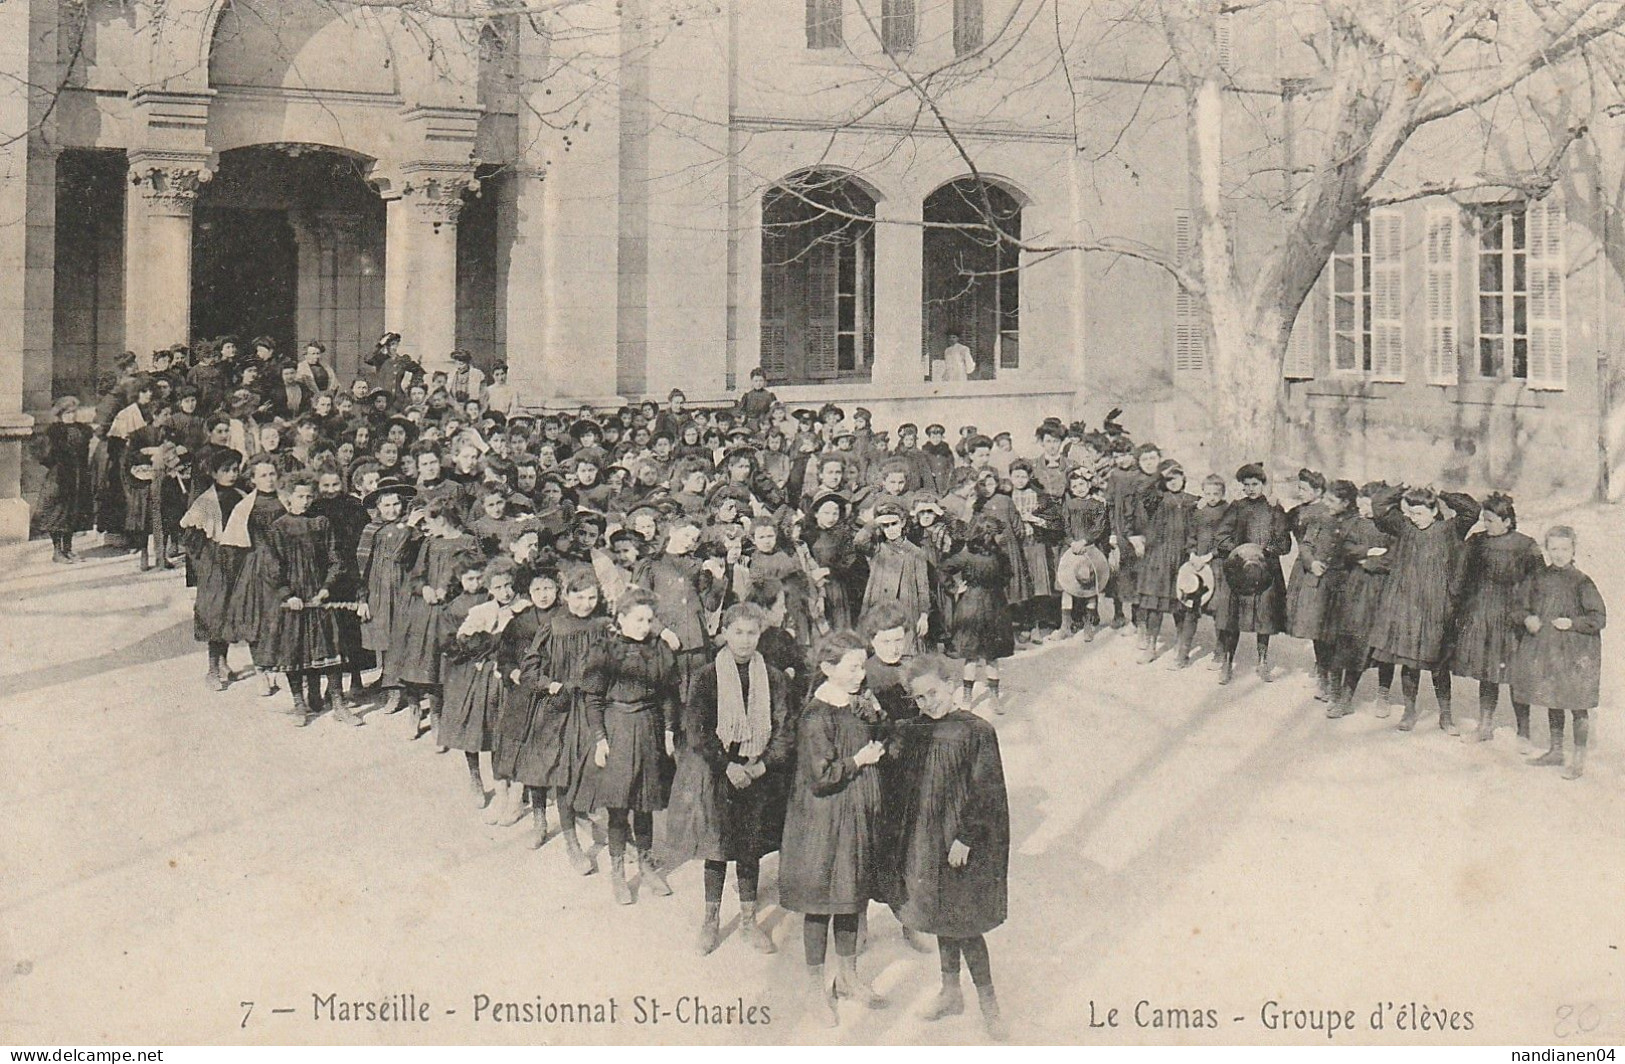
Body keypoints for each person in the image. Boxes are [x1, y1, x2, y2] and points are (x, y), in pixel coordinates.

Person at [664, 603, 795, 955]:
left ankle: (750, 922)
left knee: (749, 848)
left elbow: (784, 728)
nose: (745, 640)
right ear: (724, 633)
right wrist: (728, 767)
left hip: (758, 771)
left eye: (752, 633)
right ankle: (711, 920)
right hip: (720, 771)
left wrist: (761, 766)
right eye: (737, 632)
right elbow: (697, 729)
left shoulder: (774, 678)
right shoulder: (708, 676)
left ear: (760, 635)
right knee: (718, 847)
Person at [779, 630, 892, 1027]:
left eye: (863, 665)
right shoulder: (816, 714)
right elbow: (820, 775)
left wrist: (877, 721)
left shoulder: (856, 702)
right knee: (820, 904)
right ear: (828, 668)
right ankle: (815, 990)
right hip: (823, 822)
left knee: (851, 895)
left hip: (854, 816)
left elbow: (878, 735)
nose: (862, 672)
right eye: (854, 666)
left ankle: (848, 977)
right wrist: (860, 760)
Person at [897, 653, 1012, 1041]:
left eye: (933, 693)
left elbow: (987, 789)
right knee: (941, 915)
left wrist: (965, 835)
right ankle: (950, 991)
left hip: (963, 843)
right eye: (920, 698)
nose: (928, 703)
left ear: (951, 685)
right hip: (930, 840)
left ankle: (989, 1004)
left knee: (966, 924)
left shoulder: (976, 731)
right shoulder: (917, 729)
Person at [574, 587, 681, 905]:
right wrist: (600, 739)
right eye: (637, 619)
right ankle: (618, 874)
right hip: (618, 727)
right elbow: (592, 698)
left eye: (649, 619)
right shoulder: (605, 650)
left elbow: (668, 695)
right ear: (621, 619)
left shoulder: (660, 649)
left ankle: (647, 866)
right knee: (619, 808)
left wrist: (669, 731)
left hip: (649, 728)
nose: (644, 625)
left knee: (645, 805)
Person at [1369, 484, 1481, 734]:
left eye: (1420, 513)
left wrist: (1443, 493)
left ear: (1433, 511)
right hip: (1407, 606)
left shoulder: (1449, 530)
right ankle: (1409, 712)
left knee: (1438, 665)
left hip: (1436, 608)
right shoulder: (1405, 528)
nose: (1414, 518)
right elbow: (1379, 508)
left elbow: (1472, 511)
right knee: (1409, 663)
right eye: (1411, 512)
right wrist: (1401, 489)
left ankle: (1446, 716)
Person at [514, 567, 604, 872]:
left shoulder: (603, 625)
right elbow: (530, 669)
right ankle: (565, 838)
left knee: (587, 768)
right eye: (579, 597)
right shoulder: (554, 626)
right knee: (553, 771)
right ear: (567, 596)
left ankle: (587, 821)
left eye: (592, 597)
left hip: (592, 706)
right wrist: (550, 685)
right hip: (558, 706)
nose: (586, 604)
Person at [1449, 493, 1543, 743]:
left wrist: (1533, 614)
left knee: (1515, 675)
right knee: (1488, 673)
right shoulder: (1477, 542)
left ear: (1507, 521)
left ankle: (1523, 731)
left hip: (1514, 617)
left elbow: (1539, 584)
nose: (1485, 525)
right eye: (1484, 520)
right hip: (1483, 615)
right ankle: (1485, 726)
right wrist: (1459, 606)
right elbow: (1460, 576)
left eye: (1490, 520)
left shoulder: (1526, 546)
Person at [1513, 526, 1605, 780]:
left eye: (1565, 548)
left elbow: (1598, 618)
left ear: (1574, 549)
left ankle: (1578, 759)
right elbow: (1518, 607)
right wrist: (1527, 618)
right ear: (1547, 549)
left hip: (1577, 652)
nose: (1559, 554)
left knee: (1577, 704)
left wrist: (1573, 623)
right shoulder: (1538, 578)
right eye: (1554, 548)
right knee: (1554, 698)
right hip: (1549, 649)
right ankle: (1555, 751)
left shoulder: (1582, 581)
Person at [266, 470, 352, 727]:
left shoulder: (321, 523)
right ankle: (299, 702)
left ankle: (338, 702)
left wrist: (327, 587)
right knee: (295, 649)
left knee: (330, 646)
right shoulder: (278, 528)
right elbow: (272, 568)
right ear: (286, 498)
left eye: (309, 496)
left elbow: (336, 560)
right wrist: (287, 594)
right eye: (300, 496)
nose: (306, 501)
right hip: (294, 599)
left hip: (319, 595)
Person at [1213, 463, 1290, 685]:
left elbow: (1284, 541)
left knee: (1263, 617)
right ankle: (1227, 662)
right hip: (1238, 569)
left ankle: (1263, 660)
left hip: (1265, 570)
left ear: (1263, 484)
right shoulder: (1236, 507)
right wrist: (1238, 551)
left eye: (1255, 484)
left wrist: (1266, 552)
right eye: (1246, 485)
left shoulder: (1274, 509)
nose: (1250, 489)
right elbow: (1221, 535)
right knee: (1232, 618)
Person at [179, 448, 249, 690]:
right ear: (214, 473)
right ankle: (211, 669)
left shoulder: (242, 495)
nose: (232, 474)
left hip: (237, 560)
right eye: (226, 470)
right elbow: (190, 538)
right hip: (214, 563)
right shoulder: (206, 501)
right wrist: (205, 562)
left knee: (230, 611)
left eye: (235, 469)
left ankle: (224, 662)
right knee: (214, 611)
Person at [940, 515, 1015, 715]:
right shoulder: (973, 556)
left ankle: (985, 698)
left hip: (984, 606)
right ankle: (976, 698)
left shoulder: (990, 556)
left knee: (985, 656)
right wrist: (955, 588)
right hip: (981, 606)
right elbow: (944, 569)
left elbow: (944, 568)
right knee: (978, 657)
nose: (994, 538)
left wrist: (955, 588)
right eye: (991, 534)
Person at [34, 396, 94, 563]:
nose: (71, 416)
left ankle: (68, 549)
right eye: (68, 413)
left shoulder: (82, 430)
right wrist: (58, 466)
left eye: (74, 412)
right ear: (60, 414)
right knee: (57, 513)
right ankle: (57, 551)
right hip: (59, 477)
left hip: (78, 476)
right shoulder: (53, 432)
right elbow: (45, 456)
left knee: (73, 513)